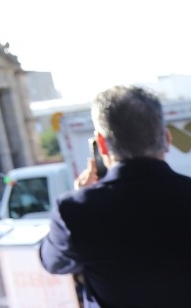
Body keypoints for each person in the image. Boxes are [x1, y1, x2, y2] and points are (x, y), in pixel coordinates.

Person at [38, 84, 191, 307]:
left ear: (102, 144)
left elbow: (53, 262)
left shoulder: (75, 210)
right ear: (167, 138)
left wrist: (83, 196)